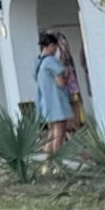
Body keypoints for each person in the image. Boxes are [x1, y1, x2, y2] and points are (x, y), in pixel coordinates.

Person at [33, 32, 73, 167]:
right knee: (59, 134)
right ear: (50, 46)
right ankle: (58, 163)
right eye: (55, 47)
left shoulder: (38, 63)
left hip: (45, 103)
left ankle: (46, 164)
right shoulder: (51, 62)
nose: (56, 50)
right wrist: (66, 76)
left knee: (51, 134)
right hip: (57, 102)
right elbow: (60, 83)